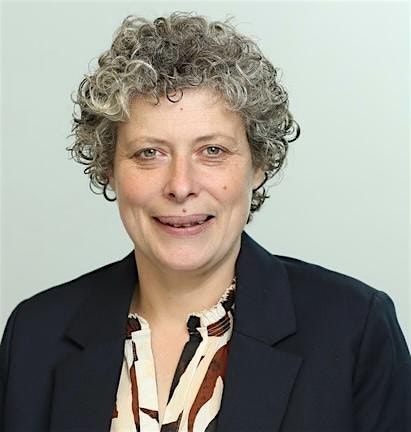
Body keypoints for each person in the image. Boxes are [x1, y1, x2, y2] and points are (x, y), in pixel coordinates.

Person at [0, 11, 410, 432]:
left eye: (212, 151)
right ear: (109, 168)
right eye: (149, 153)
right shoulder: (34, 336)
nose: (181, 186)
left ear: (258, 164)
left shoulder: (354, 330)